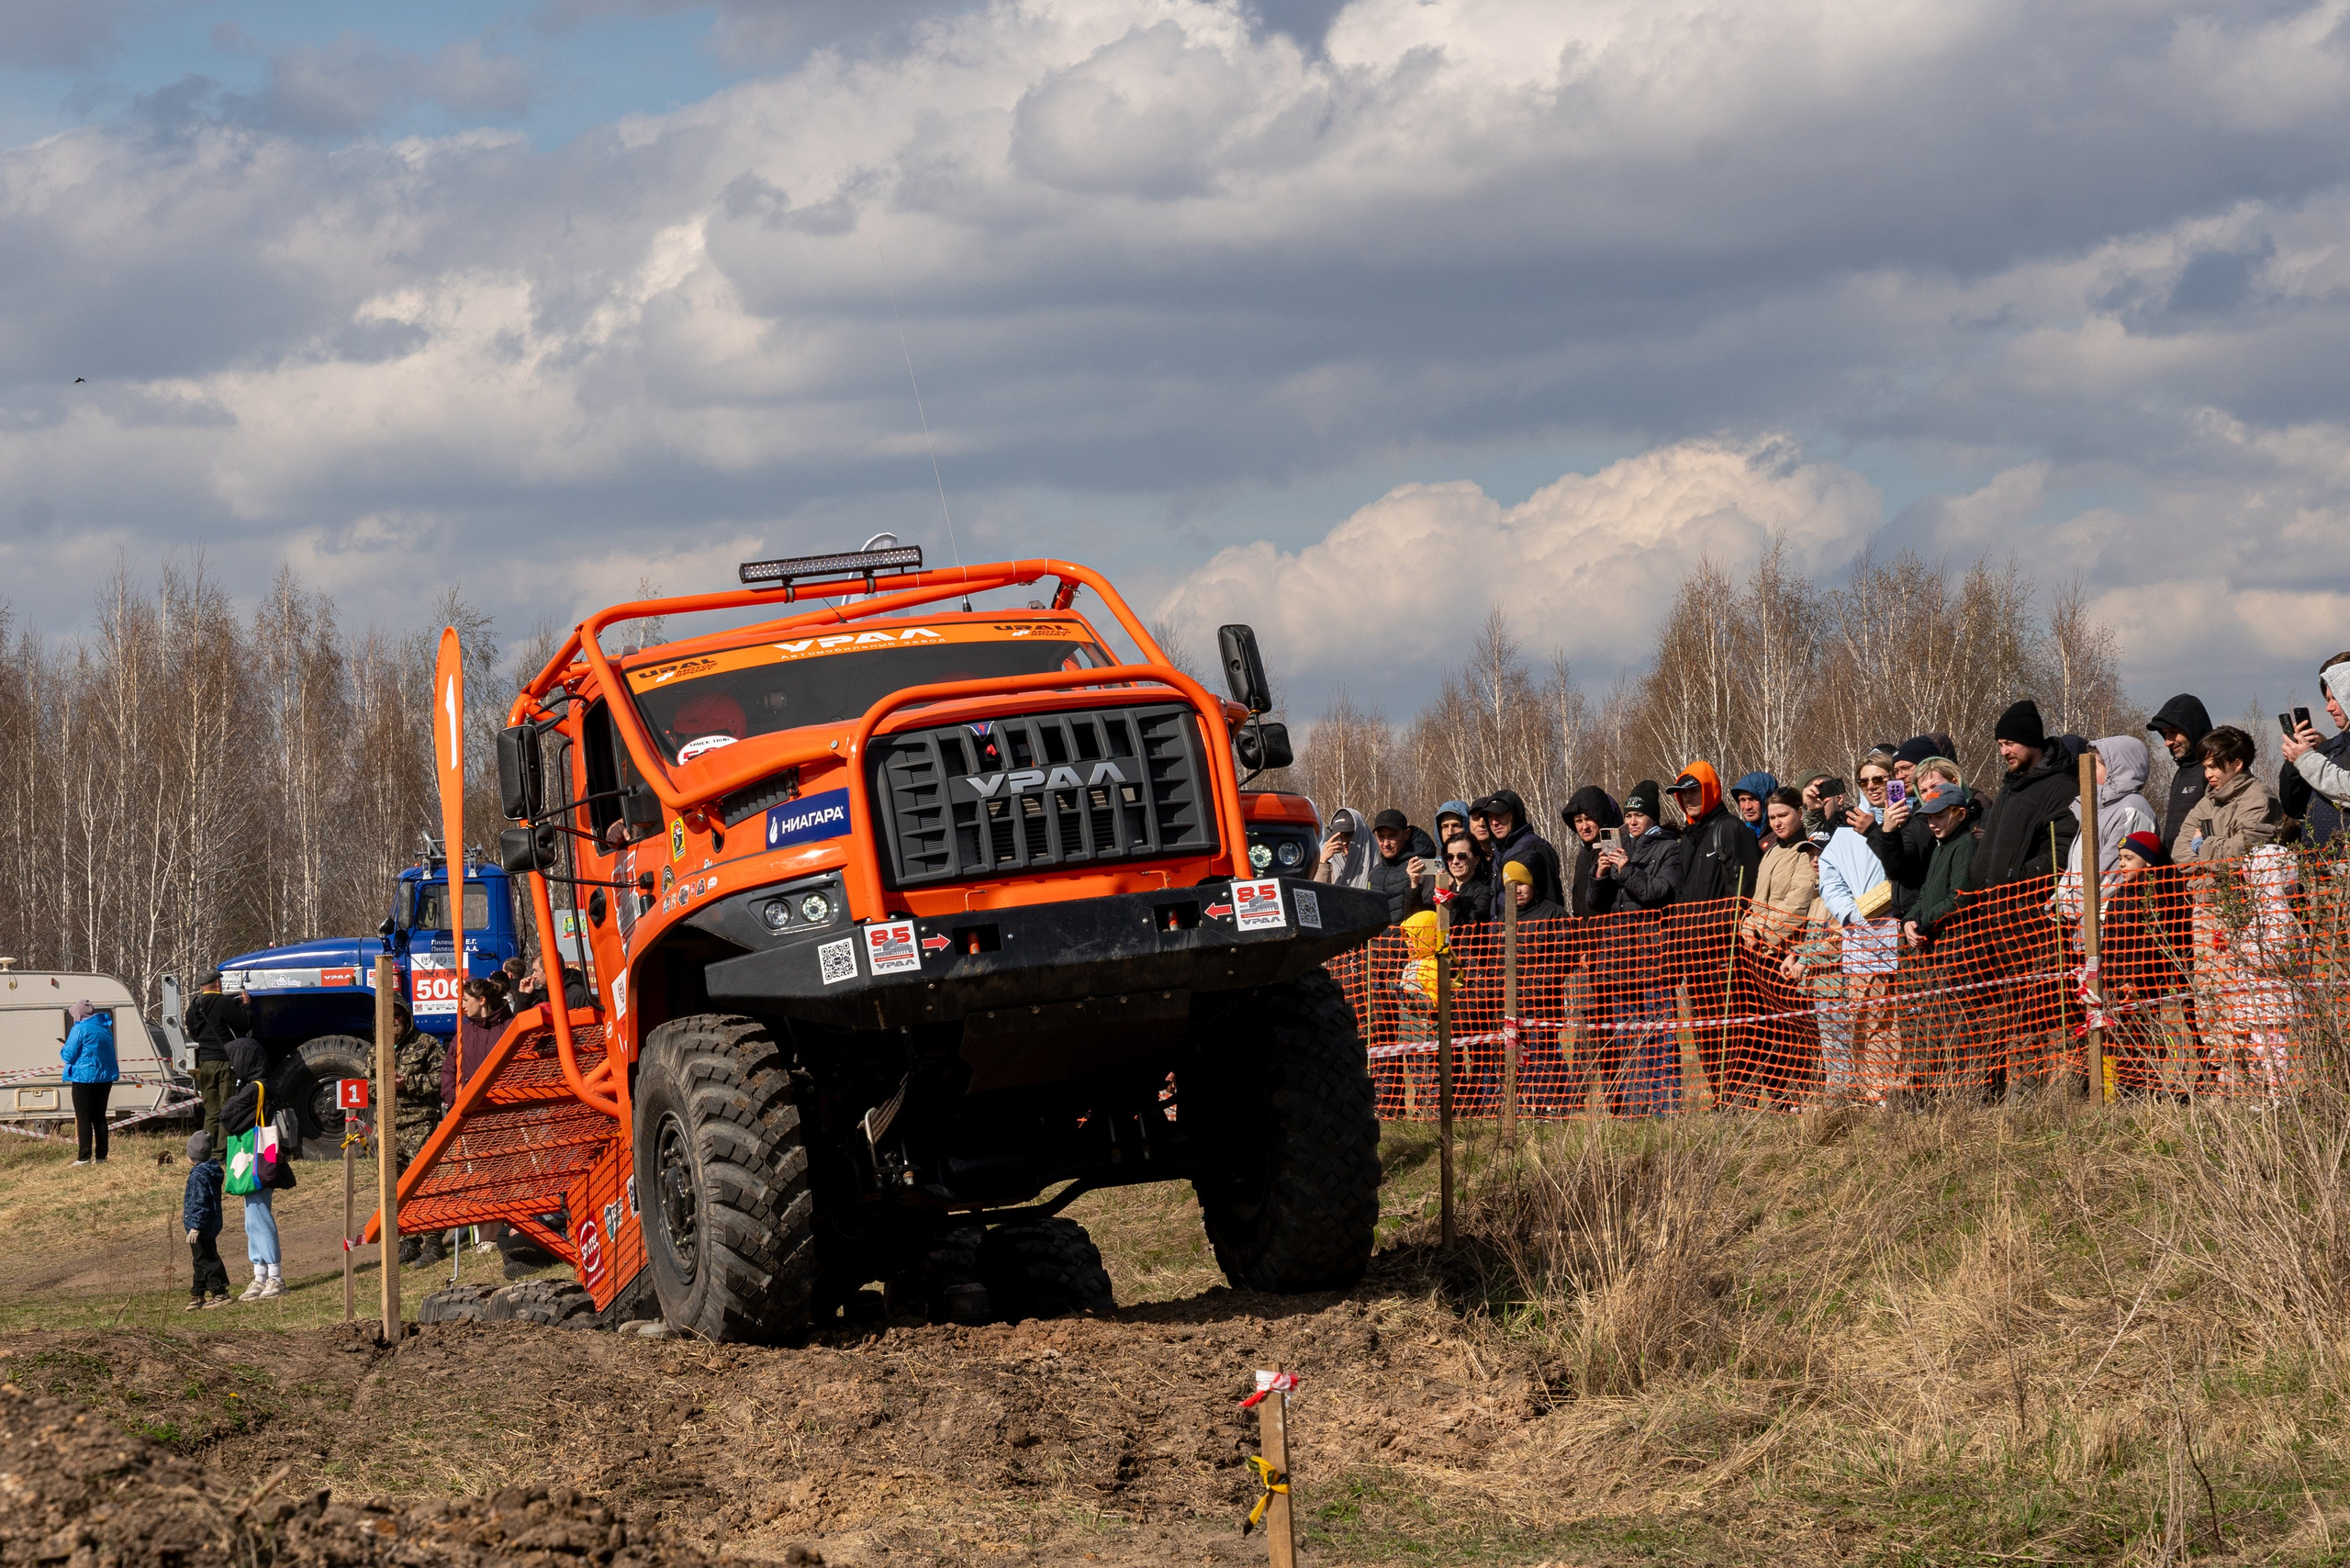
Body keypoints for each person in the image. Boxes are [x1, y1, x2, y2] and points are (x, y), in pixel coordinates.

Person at [1665, 762, 1762, 1105]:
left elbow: (1746, 892)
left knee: (1735, 1028)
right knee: (1705, 1032)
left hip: (1726, 955)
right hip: (1694, 957)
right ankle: (1723, 1098)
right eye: (1681, 794)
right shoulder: (1689, 837)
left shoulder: (1731, 829)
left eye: (1693, 791)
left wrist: (1723, 934)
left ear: (1709, 790)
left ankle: (1742, 1099)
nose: (1688, 799)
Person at [1591, 780, 1682, 1114]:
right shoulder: (1617, 847)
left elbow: (1659, 892)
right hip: (1617, 961)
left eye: (1639, 814)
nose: (1632, 821)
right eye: (1628, 814)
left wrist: (1626, 870)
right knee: (1629, 1040)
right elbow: (1594, 903)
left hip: (1652, 958)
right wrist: (1600, 874)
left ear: (1652, 818)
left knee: (1660, 1039)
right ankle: (1634, 1108)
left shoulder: (1669, 847)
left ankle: (1664, 1108)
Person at [1736, 788, 1820, 1106]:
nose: (1777, 822)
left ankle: (1807, 1092)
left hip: (1791, 951)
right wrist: (1748, 928)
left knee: (1798, 1028)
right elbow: (1759, 899)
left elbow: (1798, 902)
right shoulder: (1771, 850)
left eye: (1783, 815)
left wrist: (1766, 935)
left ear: (1799, 812)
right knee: (1774, 1029)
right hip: (1762, 953)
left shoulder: (1806, 849)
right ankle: (1784, 1095)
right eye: (1772, 817)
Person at [1815, 801, 1898, 1104]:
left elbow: (1905, 871)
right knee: (1866, 1017)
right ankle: (1875, 1094)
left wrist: (1884, 904)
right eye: (1866, 780)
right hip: (1861, 941)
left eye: (1881, 778)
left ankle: (1900, 1092)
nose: (1874, 785)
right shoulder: (1843, 836)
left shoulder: (1911, 821)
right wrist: (1853, 913)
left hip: (1903, 931)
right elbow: (1830, 883)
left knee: (1896, 1018)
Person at [1964, 700, 2082, 890]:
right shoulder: (2009, 787)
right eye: (2000, 745)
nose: (2004, 752)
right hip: (1993, 908)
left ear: (2030, 741)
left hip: (2031, 908)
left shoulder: (2061, 787)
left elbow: (2066, 849)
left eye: (2010, 744)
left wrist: (2016, 877)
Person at [220, 1036, 294, 1300]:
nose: (231, 1067)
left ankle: (275, 1276)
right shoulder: (261, 1085)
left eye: (234, 1061)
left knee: (259, 1217)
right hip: (263, 1159)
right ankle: (259, 1275)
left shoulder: (255, 1088)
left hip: (258, 1160)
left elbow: (227, 1117)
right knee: (252, 1219)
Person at [2176, 725, 2284, 862]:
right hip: (2201, 883)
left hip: (2243, 884)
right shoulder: (2208, 801)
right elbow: (2180, 851)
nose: (2208, 774)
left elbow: (2240, 854)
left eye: (2214, 766)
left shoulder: (2259, 800)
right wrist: (2206, 868)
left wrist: (2200, 846)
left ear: (2237, 764)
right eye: (2205, 767)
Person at [2281, 655, 2350, 840]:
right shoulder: (2332, 747)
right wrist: (2294, 762)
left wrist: (2306, 759)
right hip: (2322, 862)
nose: (2329, 708)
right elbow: (2295, 807)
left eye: (2336, 698)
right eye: (2327, 699)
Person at [183, 972, 249, 1151]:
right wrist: (245, 1006)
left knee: (211, 1110)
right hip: (223, 1061)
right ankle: (222, 1152)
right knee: (227, 1107)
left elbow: (192, 1033)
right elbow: (244, 1024)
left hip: (204, 1062)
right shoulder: (224, 1003)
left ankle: (205, 1151)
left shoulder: (193, 1007)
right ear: (217, 983)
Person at [1480, 790, 1564, 921]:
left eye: (1500, 815)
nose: (1495, 822)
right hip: (1503, 935)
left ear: (1515, 815)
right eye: (1490, 817)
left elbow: (1551, 902)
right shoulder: (1497, 852)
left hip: (1534, 935)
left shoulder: (1536, 847)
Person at [2146, 693, 2215, 851]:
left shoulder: (2211, 772)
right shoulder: (2182, 773)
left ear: (2192, 728)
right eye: (2164, 734)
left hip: (2198, 871)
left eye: (2173, 732)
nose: (2167, 742)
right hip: (2175, 872)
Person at [442, 977, 515, 1110]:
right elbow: (448, 1069)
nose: (462, 1005)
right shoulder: (463, 1033)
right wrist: (454, 1098)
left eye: (465, 1000)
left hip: (504, 1110)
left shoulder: (510, 1028)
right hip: (469, 1111)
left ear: (481, 1000)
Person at [60, 1001, 118, 1167]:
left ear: (78, 1015)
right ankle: (101, 1156)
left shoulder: (79, 1029)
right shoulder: (104, 1028)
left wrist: (64, 1047)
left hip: (83, 1078)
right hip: (105, 1078)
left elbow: (69, 1056)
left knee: (83, 1118)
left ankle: (84, 1157)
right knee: (100, 1117)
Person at [183, 1129, 230, 1310]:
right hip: (209, 1223)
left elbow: (199, 1202)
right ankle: (198, 1292)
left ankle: (220, 1291)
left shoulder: (198, 1176)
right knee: (199, 1258)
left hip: (201, 1226)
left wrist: (195, 1226)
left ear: (191, 1155)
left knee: (207, 1258)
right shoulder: (211, 1171)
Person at [1561, 786, 1623, 918]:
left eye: (1589, 818)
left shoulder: (1617, 850)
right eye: (1578, 821)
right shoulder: (1583, 855)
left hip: (1611, 933)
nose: (1584, 827)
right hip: (1585, 934)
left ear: (1600, 818)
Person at [1367, 809, 1438, 924]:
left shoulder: (1420, 867)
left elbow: (1427, 915)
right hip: (1377, 941)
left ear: (1406, 834)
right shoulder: (1374, 873)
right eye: (1381, 837)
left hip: (1410, 940)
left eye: (1391, 836)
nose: (1385, 844)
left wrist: (1414, 887)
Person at [1436, 836, 1493, 933]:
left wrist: (1449, 900)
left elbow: (1467, 931)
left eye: (1461, 856)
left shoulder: (1483, 892)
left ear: (1476, 860)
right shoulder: (1441, 890)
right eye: (1449, 857)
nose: (1455, 862)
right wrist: (1414, 885)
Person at [1312, 807, 1374, 890]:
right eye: (1340, 837)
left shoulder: (1375, 866)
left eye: (1349, 835)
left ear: (1360, 835)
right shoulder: (1330, 869)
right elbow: (1316, 894)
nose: (1344, 842)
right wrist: (1322, 862)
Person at [1729, 772, 1779, 843]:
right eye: (1742, 800)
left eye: (1753, 799)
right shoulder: (1739, 835)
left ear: (1767, 799)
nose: (1747, 807)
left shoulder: (1782, 836)